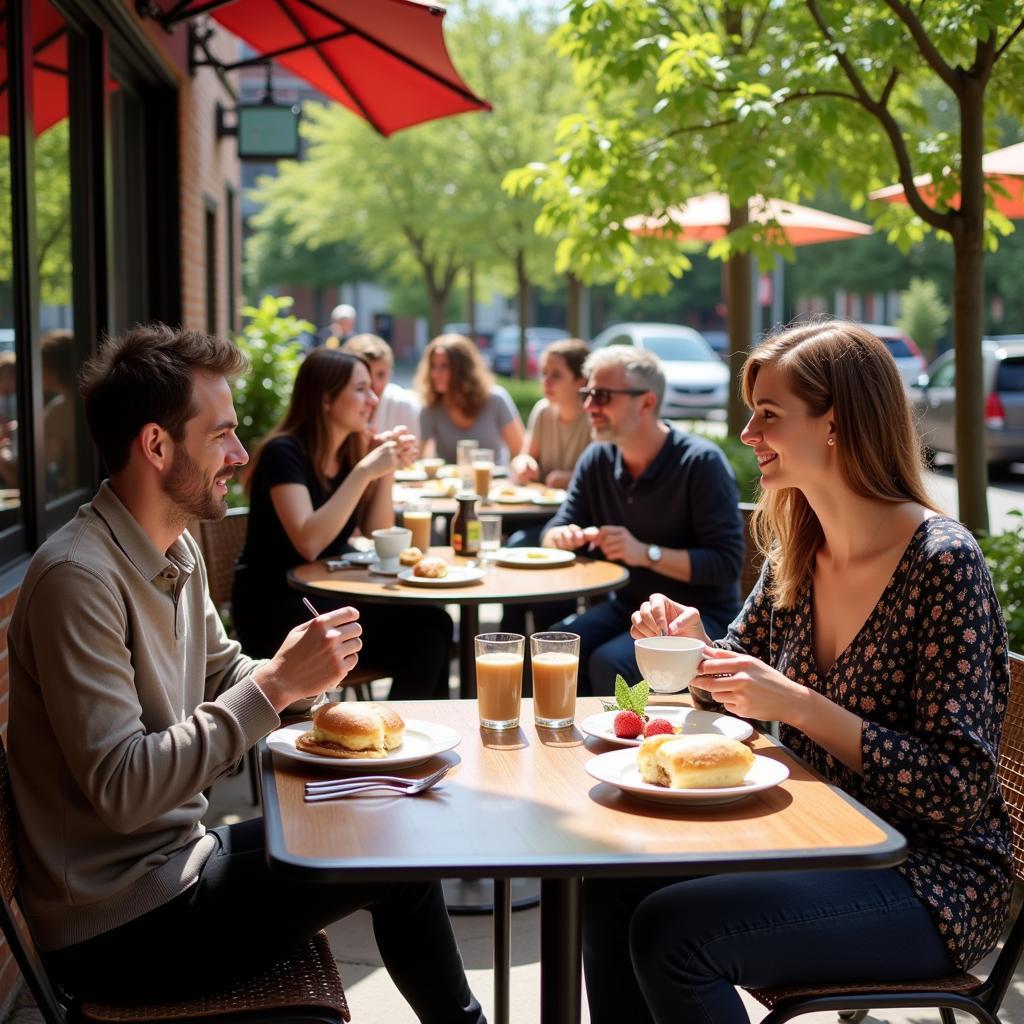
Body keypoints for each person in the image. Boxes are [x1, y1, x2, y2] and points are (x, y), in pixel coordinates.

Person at [6, 324, 484, 1021]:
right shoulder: (78, 579)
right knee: (394, 857)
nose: (238, 454)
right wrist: (277, 686)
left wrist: (317, 688)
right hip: (116, 929)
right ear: (156, 445)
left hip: (179, 861)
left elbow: (223, 671)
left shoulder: (176, 547)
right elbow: (123, 789)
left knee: (385, 825)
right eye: (222, 435)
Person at [587, 320, 1013, 1024]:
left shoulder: (942, 562)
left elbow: (957, 789)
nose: (748, 431)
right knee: (609, 883)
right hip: (816, 837)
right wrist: (694, 646)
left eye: (769, 414)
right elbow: (739, 691)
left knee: (675, 936)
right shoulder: (799, 550)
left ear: (836, 425)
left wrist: (805, 706)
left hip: (931, 880)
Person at [233, 347, 453, 700]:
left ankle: (405, 732)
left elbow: (376, 532)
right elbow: (309, 542)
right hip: (281, 607)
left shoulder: (346, 453)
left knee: (435, 623)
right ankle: (392, 735)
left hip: (328, 595)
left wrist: (384, 472)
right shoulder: (284, 453)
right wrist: (365, 469)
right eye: (361, 389)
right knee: (426, 634)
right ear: (326, 399)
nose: (374, 398)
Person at [540, 345, 744, 694]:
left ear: (647, 403)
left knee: (609, 661)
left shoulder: (700, 462)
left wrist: (646, 553)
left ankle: (625, 745)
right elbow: (552, 530)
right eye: (587, 394)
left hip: (695, 618)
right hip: (628, 608)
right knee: (555, 648)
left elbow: (726, 563)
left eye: (602, 396)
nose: (589, 406)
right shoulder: (597, 459)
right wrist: (561, 536)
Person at [415, 333, 525, 465]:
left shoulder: (496, 400)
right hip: (448, 483)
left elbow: (521, 453)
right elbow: (420, 459)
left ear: (464, 369)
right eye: (433, 366)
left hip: (493, 481)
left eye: (444, 366)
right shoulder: (430, 407)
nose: (436, 373)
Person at [511, 337, 591, 490]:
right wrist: (523, 465)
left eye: (556, 375)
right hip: (539, 509)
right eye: (544, 373)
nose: (546, 381)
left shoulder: (593, 417)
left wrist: (569, 479)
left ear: (581, 381)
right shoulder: (543, 411)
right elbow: (523, 456)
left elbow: (601, 475)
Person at [343, 332, 421, 440]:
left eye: (381, 375)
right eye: (366, 374)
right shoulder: (339, 408)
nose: (373, 384)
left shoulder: (406, 405)